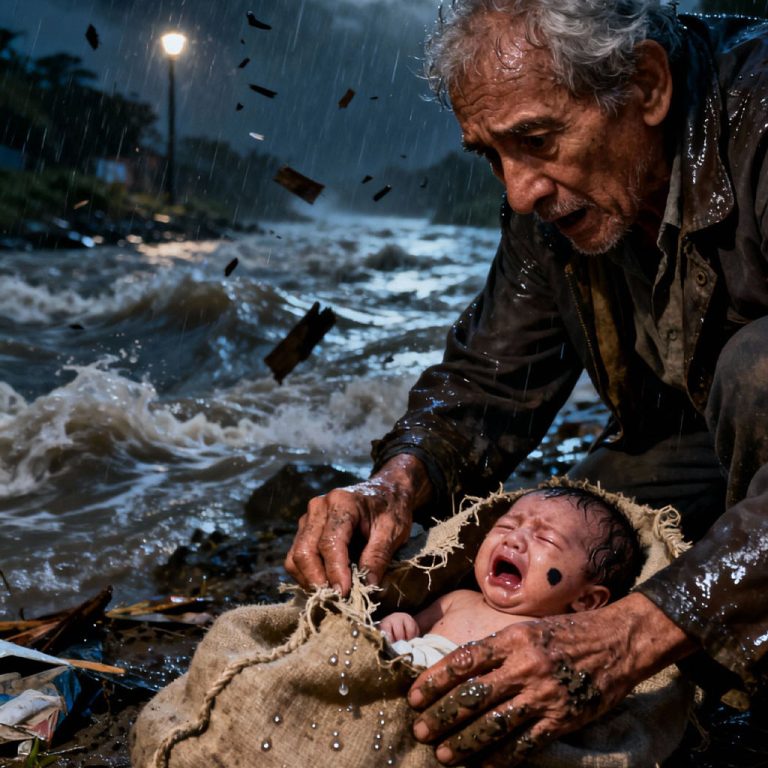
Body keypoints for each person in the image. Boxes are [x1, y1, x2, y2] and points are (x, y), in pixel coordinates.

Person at [285, 0, 768, 763]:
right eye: (492, 155)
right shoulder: (555, 209)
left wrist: (634, 634)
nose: (518, 192)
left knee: (756, 369)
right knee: (597, 529)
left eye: (537, 141)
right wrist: (393, 485)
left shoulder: (759, 121)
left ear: (647, 86)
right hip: (701, 443)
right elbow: (488, 378)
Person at [380, 486, 642, 668]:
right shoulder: (457, 599)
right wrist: (398, 623)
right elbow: (410, 630)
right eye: (506, 526)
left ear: (586, 600)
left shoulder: (557, 636)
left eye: (546, 538)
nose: (513, 538)